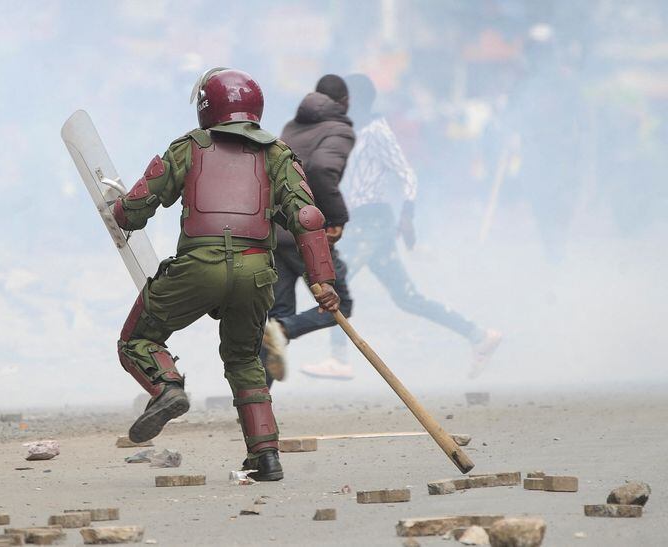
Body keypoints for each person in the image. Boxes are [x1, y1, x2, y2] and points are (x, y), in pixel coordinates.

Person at [111, 68, 340, 481]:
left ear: (206, 106)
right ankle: (266, 456)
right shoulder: (278, 154)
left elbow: (134, 211)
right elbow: (306, 216)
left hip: (198, 267)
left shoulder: (188, 148)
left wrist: (119, 209)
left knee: (137, 340)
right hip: (256, 272)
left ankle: (168, 389)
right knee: (244, 358)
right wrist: (322, 281)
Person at [307, 73, 501, 380]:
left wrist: (408, 215)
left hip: (372, 222)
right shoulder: (349, 132)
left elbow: (407, 174)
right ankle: (478, 335)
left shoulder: (376, 132)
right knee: (407, 297)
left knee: (333, 280)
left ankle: (338, 358)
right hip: (359, 223)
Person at [261, 74, 355, 385]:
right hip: (308, 234)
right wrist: (336, 218)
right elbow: (322, 169)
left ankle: (254, 404)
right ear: (345, 103)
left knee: (277, 316)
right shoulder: (340, 130)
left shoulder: (292, 127)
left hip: (278, 230)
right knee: (340, 302)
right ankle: (286, 329)